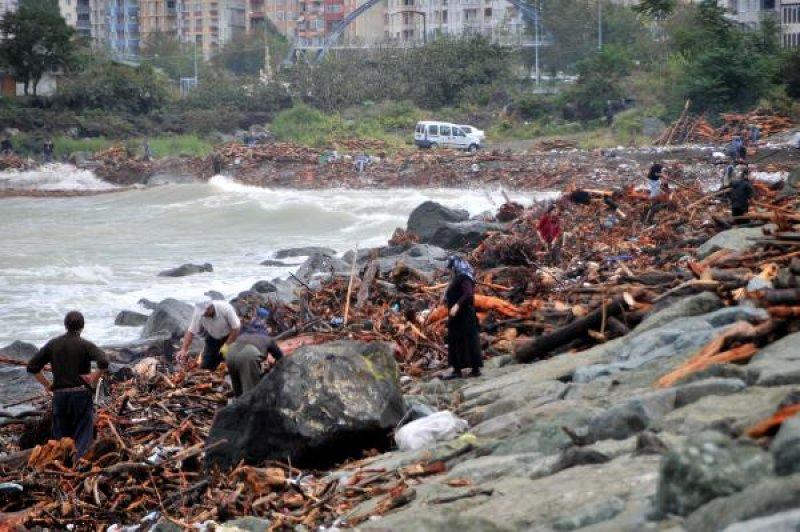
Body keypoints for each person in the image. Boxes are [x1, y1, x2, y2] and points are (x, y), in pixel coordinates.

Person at [26, 311, 109, 458]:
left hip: (60, 396)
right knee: (83, 432)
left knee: (61, 436)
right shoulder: (85, 345)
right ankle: (78, 463)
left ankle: (60, 465)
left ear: (65, 325)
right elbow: (104, 361)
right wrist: (93, 378)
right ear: (82, 326)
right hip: (81, 394)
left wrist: (48, 384)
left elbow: (32, 367)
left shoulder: (53, 344)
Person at [441, 256, 482, 380]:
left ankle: (469, 369)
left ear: (456, 267)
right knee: (458, 341)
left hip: (464, 315)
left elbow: (468, 293)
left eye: (451, 268)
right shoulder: (458, 278)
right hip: (459, 317)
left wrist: (457, 306)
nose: (450, 271)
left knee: (466, 339)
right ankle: (459, 369)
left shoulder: (464, 277)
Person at [224, 323, 284, 397]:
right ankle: (249, 406)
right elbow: (281, 358)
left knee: (237, 387)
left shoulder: (244, 335)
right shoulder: (268, 339)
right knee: (251, 391)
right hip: (248, 354)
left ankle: (238, 404)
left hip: (230, 352)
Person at [177, 300, 241, 370]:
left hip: (230, 336)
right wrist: (184, 349)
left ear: (210, 307)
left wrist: (227, 345)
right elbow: (191, 331)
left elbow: (236, 328)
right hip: (213, 337)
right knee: (205, 366)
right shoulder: (199, 314)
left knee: (231, 363)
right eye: (201, 312)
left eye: (204, 312)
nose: (203, 314)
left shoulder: (225, 309)